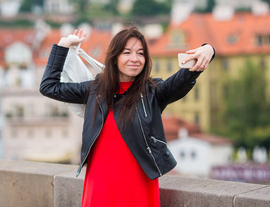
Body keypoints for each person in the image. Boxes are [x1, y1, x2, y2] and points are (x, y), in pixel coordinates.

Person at [39, 26, 215, 207]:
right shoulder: (95, 90)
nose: (135, 59)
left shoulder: (153, 92)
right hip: (100, 186)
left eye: (140, 53)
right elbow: (49, 87)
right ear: (114, 58)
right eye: (127, 52)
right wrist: (62, 46)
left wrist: (208, 49)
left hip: (137, 187)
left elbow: (183, 78)